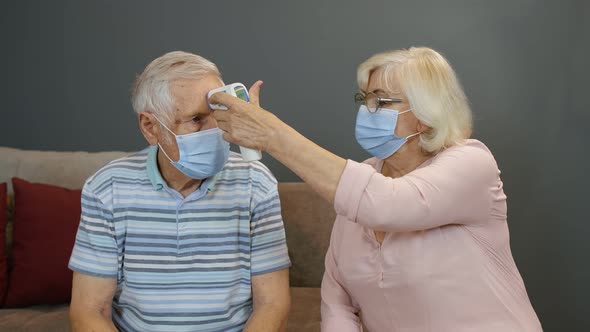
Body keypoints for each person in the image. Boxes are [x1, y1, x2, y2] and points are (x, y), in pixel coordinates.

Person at [209, 47, 543, 331]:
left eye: (381, 101)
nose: (366, 110)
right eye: (365, 99)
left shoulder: (471, 162)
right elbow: (337, 298)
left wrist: (272, 135)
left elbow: (389, 204)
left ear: (426, 115)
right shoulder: (363, 178)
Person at [68, 51, 291, 332]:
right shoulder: (107, 188)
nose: (215, 129)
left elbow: (272, 304)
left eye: (217, 114)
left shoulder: (256, 184)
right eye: (197, 119)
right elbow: (89, 310)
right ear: (150, 127)